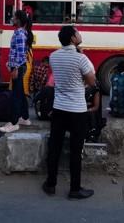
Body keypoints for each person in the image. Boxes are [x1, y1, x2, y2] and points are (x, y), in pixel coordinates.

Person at [43, 25, 96, 199]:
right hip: (77, 111)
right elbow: (91, 81)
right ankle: (75, 189)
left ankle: (51, 184)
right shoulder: (81, 58)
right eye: (77, 32)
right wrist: (82, 56)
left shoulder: (53, 56)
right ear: (73, 38)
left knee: (55, 148)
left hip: (59, 108)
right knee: (75, 150)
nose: (80, 34)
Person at [0, 10, 33, 133]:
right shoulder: (23, 33)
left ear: (18, 19)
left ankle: (13, 123)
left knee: (16, 95)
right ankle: (25, 118)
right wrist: (10, 63)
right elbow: (17, 53)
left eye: (14, 17)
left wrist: (16, 68)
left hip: (18, 67)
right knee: (20, 92)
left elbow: (20, 53)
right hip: (18, 66)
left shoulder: (19, 34)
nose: (12, 18)